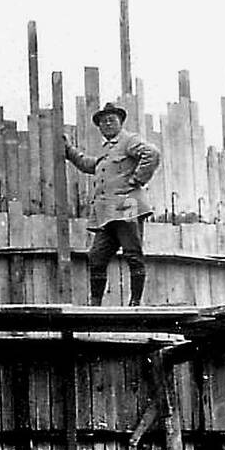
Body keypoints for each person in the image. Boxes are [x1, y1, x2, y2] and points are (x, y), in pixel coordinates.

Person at [63, 101, 162, 306]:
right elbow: (88, 164)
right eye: (103, 122)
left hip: (128, 205)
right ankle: (95, 305)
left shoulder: (129, 140)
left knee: (132, 253)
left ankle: (135, 302)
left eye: (111, 120)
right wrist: (69, 150)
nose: (107, 124)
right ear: (99, 127)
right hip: (107, 213)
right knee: (96, 256)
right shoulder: (107, 150)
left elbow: (151, 153)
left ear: (120, 122)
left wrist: (138, 179)